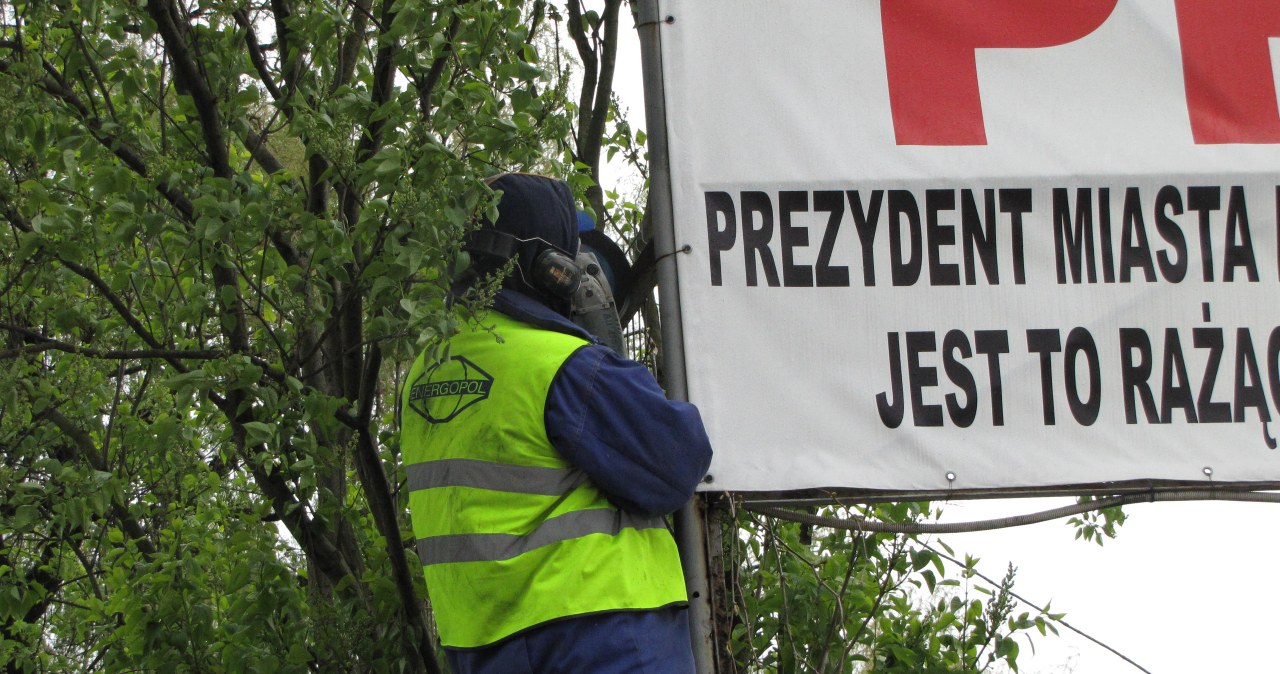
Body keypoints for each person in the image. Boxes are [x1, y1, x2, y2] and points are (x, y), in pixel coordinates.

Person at [399, 173, 713, 674]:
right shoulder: (562, 365)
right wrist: (606, 348)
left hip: (482, 649)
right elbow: (679, 460)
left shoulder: (422, 376)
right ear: (550, 269)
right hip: (603, 639)